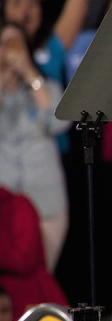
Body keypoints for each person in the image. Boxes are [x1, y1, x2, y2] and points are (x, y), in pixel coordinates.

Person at [0, 22, 72, 272]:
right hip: (5, 205)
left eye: (17, 44)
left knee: (42, 276)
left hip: (46, 203)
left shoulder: (46, 86)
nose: (11, 51)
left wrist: (30, 73)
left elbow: (59, 122)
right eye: (5, 44)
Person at [0, 187, 70, 321]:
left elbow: (25, 257)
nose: (1, 319)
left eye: (4, 312)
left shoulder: (18, 206)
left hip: (27, 296)